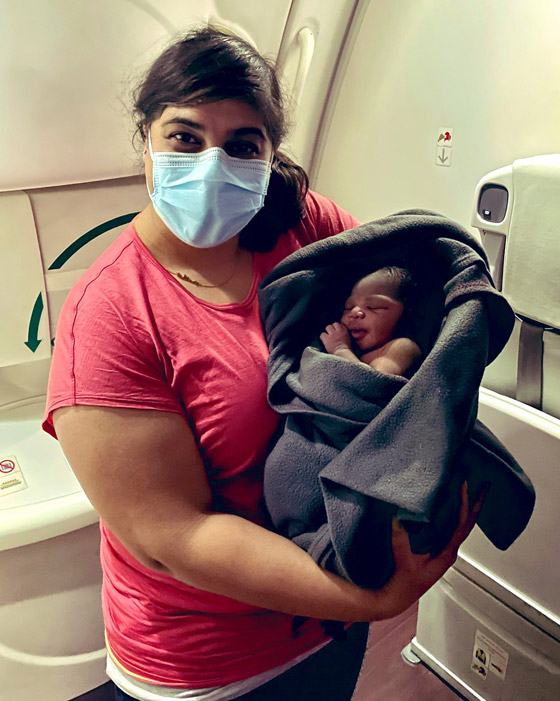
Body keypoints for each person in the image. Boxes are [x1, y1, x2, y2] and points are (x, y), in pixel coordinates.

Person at [43, 26, 483, 701]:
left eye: (242, 145)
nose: (212, 164)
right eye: (185, 137)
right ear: (145, 140)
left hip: (327, 611)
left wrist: (405, 356)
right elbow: (175, 535)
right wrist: (370, 599)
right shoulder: (110, 315)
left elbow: (405, 297)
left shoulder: (303, 228)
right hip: (212, 662)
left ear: (270, 153)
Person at [320, 266, 422, 376]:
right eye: (349, 307)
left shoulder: (403, 346)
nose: (354, 312)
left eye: (372, 307)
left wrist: (340, 349)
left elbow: (375, 381)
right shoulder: (352, 347)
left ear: (405, 313)